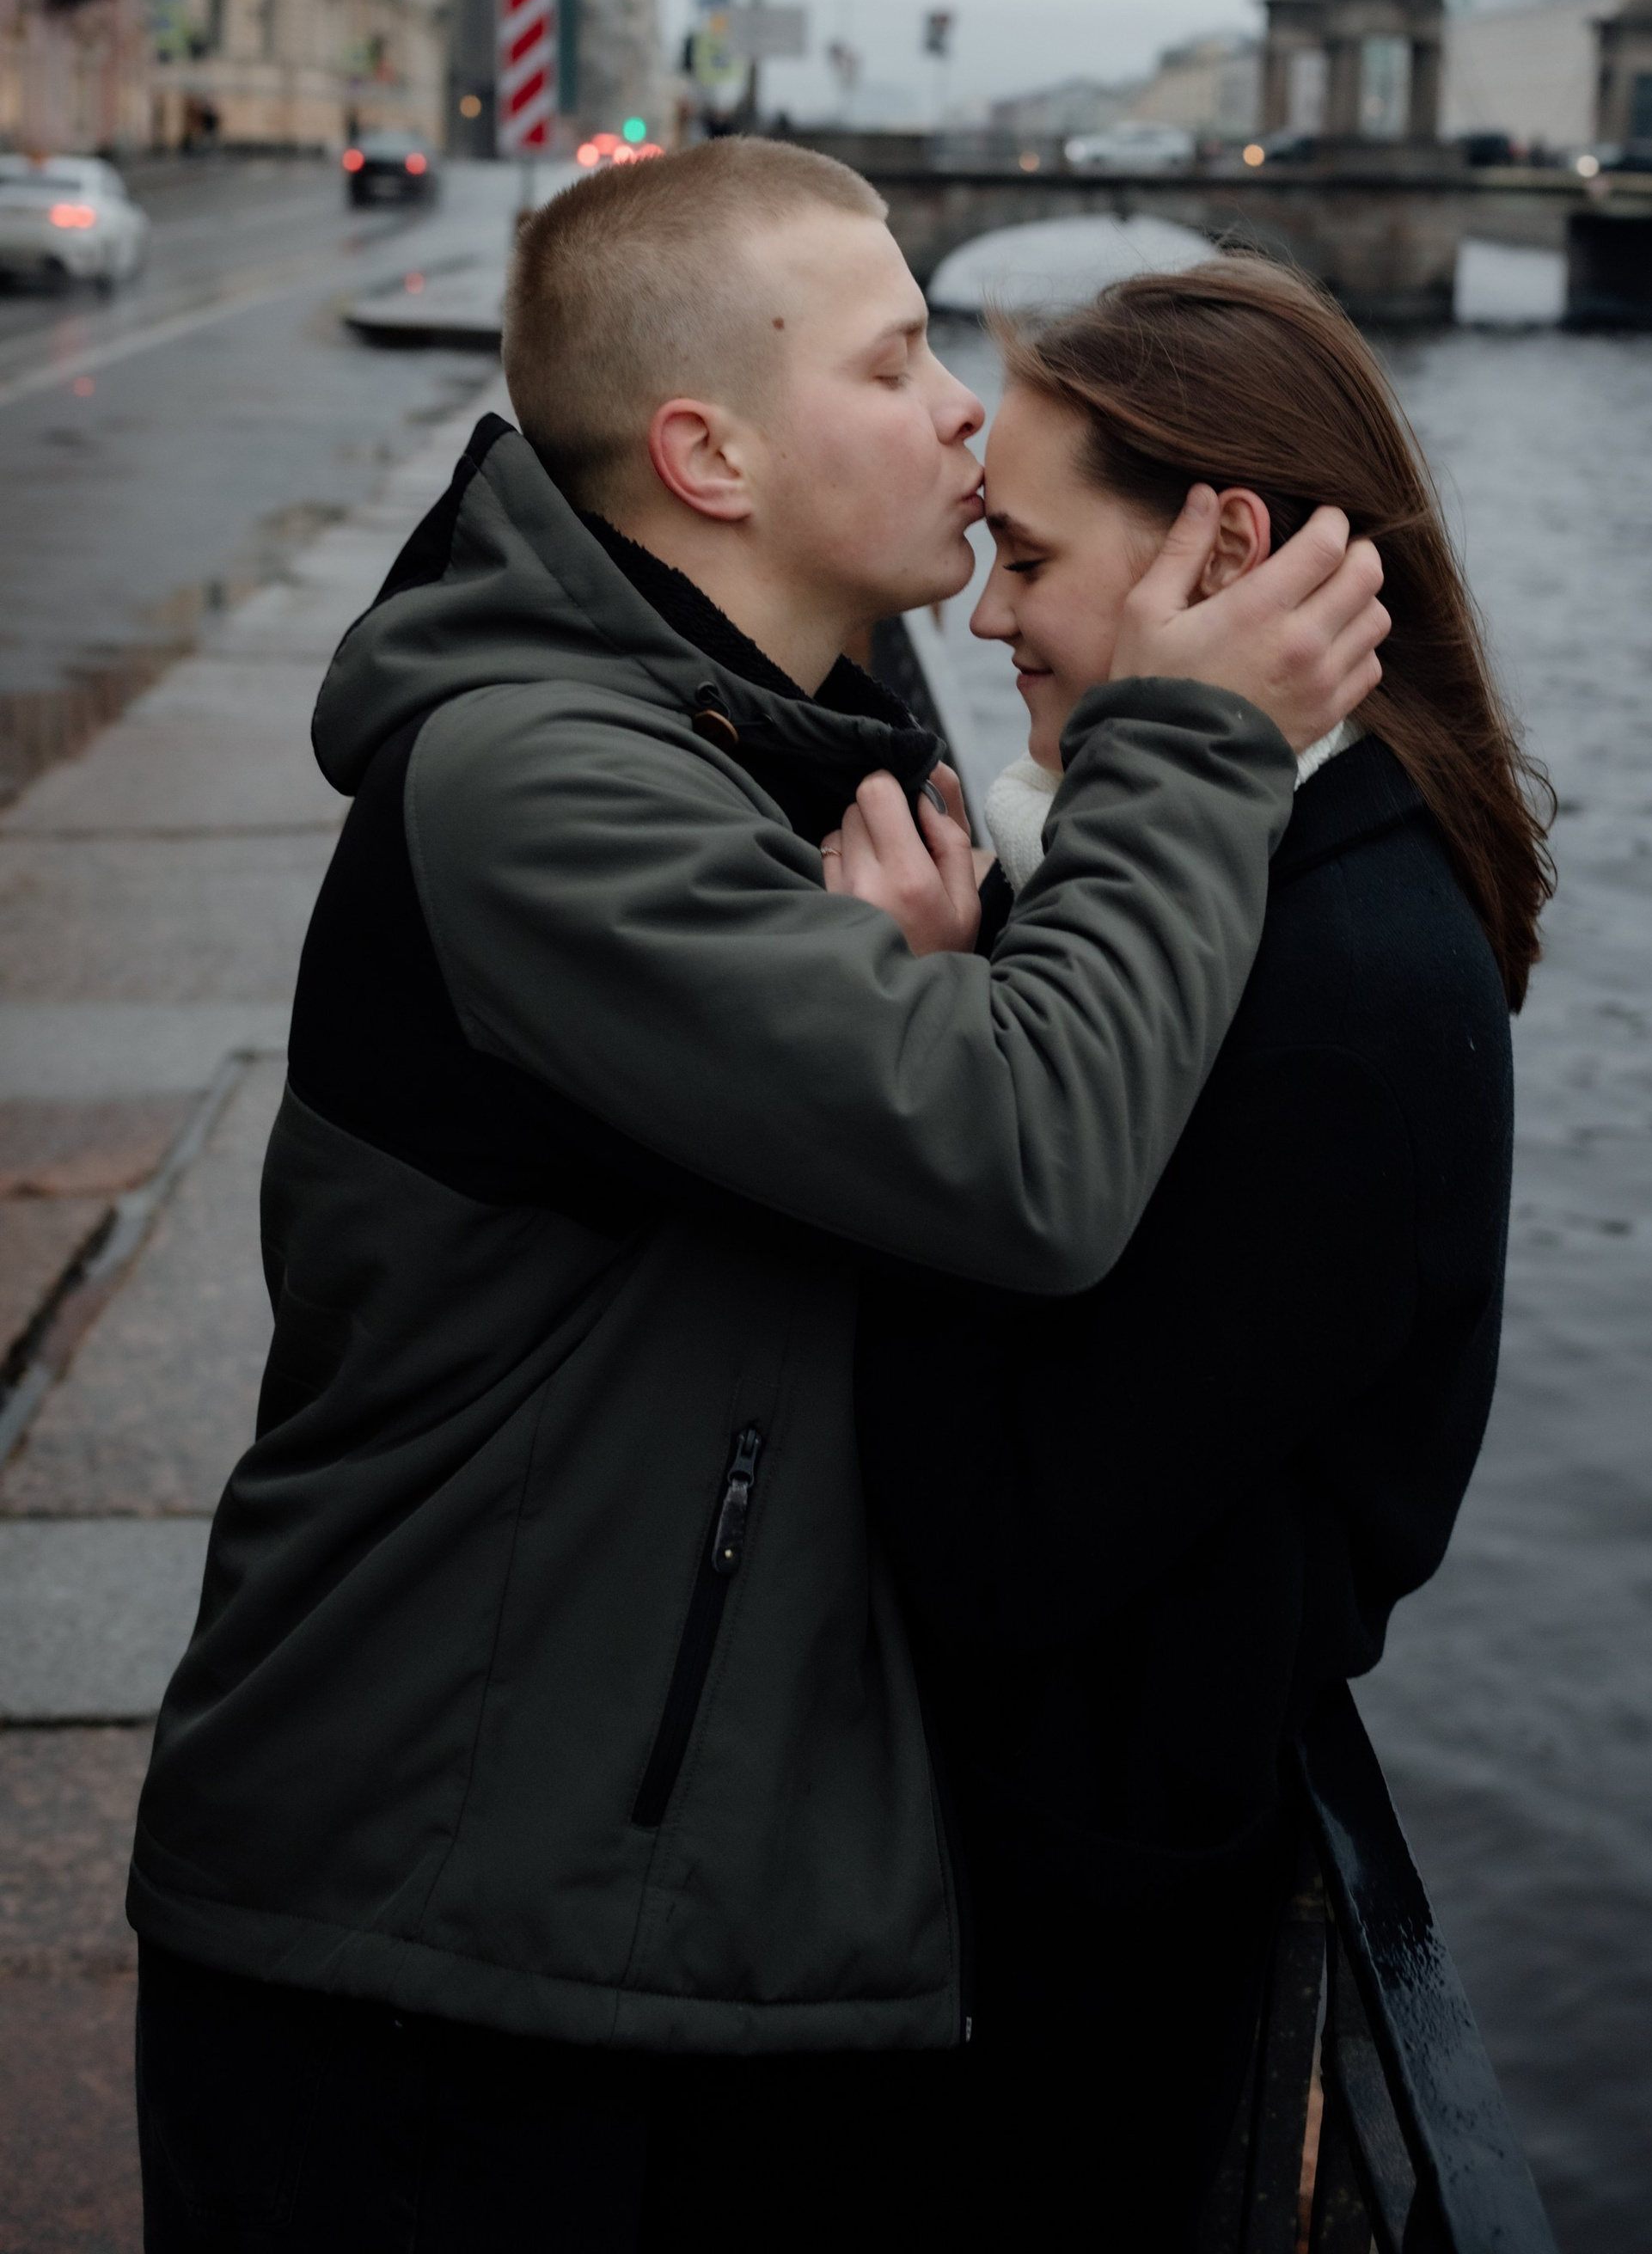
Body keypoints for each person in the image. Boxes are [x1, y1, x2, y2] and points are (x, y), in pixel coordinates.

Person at [128, 140, 1386, 2252]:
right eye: (896, 365)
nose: (962, 413)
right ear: (706, 454)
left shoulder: (775, 731)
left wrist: (925, 987)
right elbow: (1029, 1162)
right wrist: (1192, 750)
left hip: (615, 1891)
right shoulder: (537, 779)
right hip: (435, 1941)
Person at [841, 255, 1553, 2251]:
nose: (978, 615)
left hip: (1072, 1932)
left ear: (1223, 548)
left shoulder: (1329, 990)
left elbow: (1000, 1536)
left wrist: (917, 1058)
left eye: (1029, 557)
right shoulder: (1284, 879)